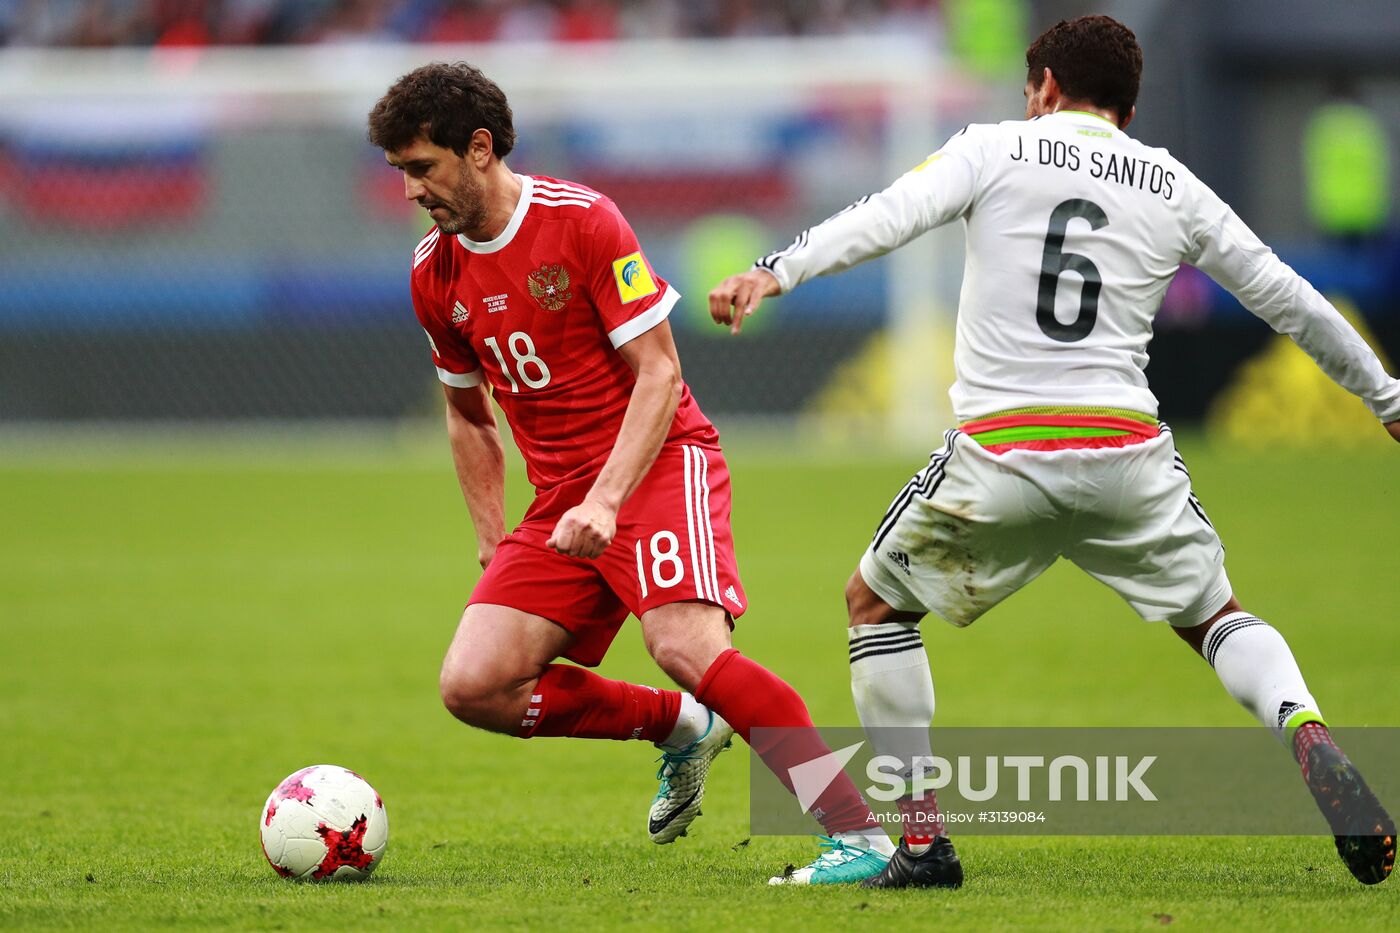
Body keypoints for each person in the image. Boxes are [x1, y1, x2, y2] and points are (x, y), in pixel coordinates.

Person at [709, 15, 1399, 889]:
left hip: (1004, 454)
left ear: (1042, 86)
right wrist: (1389, 398)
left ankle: (922, 843)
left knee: (874, 607)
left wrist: (778, 269)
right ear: (1129, 106)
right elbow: (1290, 297)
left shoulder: (996, 147)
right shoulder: (1172, 181)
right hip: (1128, 454)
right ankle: (1302, 722)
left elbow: (892, 214)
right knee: (1217, 616)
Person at [367, 62, 895, 885]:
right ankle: (685, 727)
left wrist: (610, 499)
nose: (409, 191)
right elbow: (467, 415)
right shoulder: (432, 273)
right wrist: (489, 538)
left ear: (477, 149)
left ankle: (859, 835)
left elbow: (660, 372)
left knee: (684, 641)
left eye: (420, 168)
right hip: (561, 501)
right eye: (399, 171)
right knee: (476, 684)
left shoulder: (583, 222)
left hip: (654, 463)